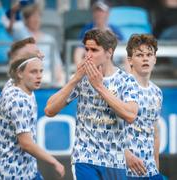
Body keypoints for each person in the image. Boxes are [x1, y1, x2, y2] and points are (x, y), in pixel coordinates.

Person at [45, 29, 139, 180]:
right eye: (86, 49)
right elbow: (49, 110)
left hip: (115, 160)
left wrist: (100, 87)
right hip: (84, 157)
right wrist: (75, 78)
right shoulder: (82, 78)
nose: (88, 54)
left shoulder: (126, 80)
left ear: (109, 52)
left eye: (94, 50)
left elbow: (130, 115)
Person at [0, 40, 65, 179]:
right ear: (20, 72)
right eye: (34, 72)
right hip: (13, 173)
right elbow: (26, 143)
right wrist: (54, 162)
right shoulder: (17, 100)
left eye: (41, 71)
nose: (39, 75)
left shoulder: (17, 83)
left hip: (27, 169)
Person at [123, 34, 163, 179]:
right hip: (125, 172)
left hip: (151, 171)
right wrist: (125, 154)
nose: (145, 58)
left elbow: (155, 131)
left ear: (155, 59)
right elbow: (107, 129)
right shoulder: (121, 86)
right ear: (130, 60)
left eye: (149, 54)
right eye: (139, 55)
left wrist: (156, 165)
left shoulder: (157, 92)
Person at [73, 1, 123, 66]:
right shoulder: (87, 28)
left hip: (113, 61)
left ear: (107, 13)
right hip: (93, 59)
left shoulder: (114, 29)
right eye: (96, 11)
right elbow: (79, 48)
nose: (98, 14)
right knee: (79, 50)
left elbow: (124, 47)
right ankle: (80, 71)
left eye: (101, 11)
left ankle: (130, 75)